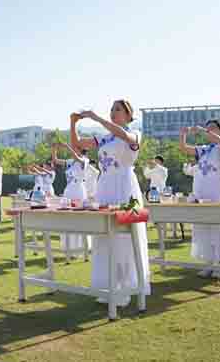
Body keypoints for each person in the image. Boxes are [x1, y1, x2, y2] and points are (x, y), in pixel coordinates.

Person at [71, 99, 150, 307]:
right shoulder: (104, 138)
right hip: (105, 186)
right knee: (104, 236)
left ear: (128, 115)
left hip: (125, 185)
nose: (114, 112)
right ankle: (108, 285)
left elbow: (124, 136)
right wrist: (73, 123)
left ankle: (126, 287)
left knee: (124, 238)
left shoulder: (134, 134)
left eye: (118, 110)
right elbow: (78, 144)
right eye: (112, 109)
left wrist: (96, 118)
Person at [179, 120, 220, 279]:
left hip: (217, 189)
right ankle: (209, 263)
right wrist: (183, 134)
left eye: (214, 128)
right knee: (204, 225)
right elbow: (184, 149)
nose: (210, 130)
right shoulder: (203, 149)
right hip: (201, 189)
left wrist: (205, 131)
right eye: (208, 128)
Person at [52, 142, 89, 254]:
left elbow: (77, 158)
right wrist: (53, 150)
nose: (73, 150)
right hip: (68, 190)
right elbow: (56, 161)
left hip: (79, 190)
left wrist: (68, 147)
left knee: (79, 219)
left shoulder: (84, 160)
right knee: (67, 218)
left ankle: (81, 248)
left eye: (75, 148)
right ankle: (68, 247)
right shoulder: (70, 162)